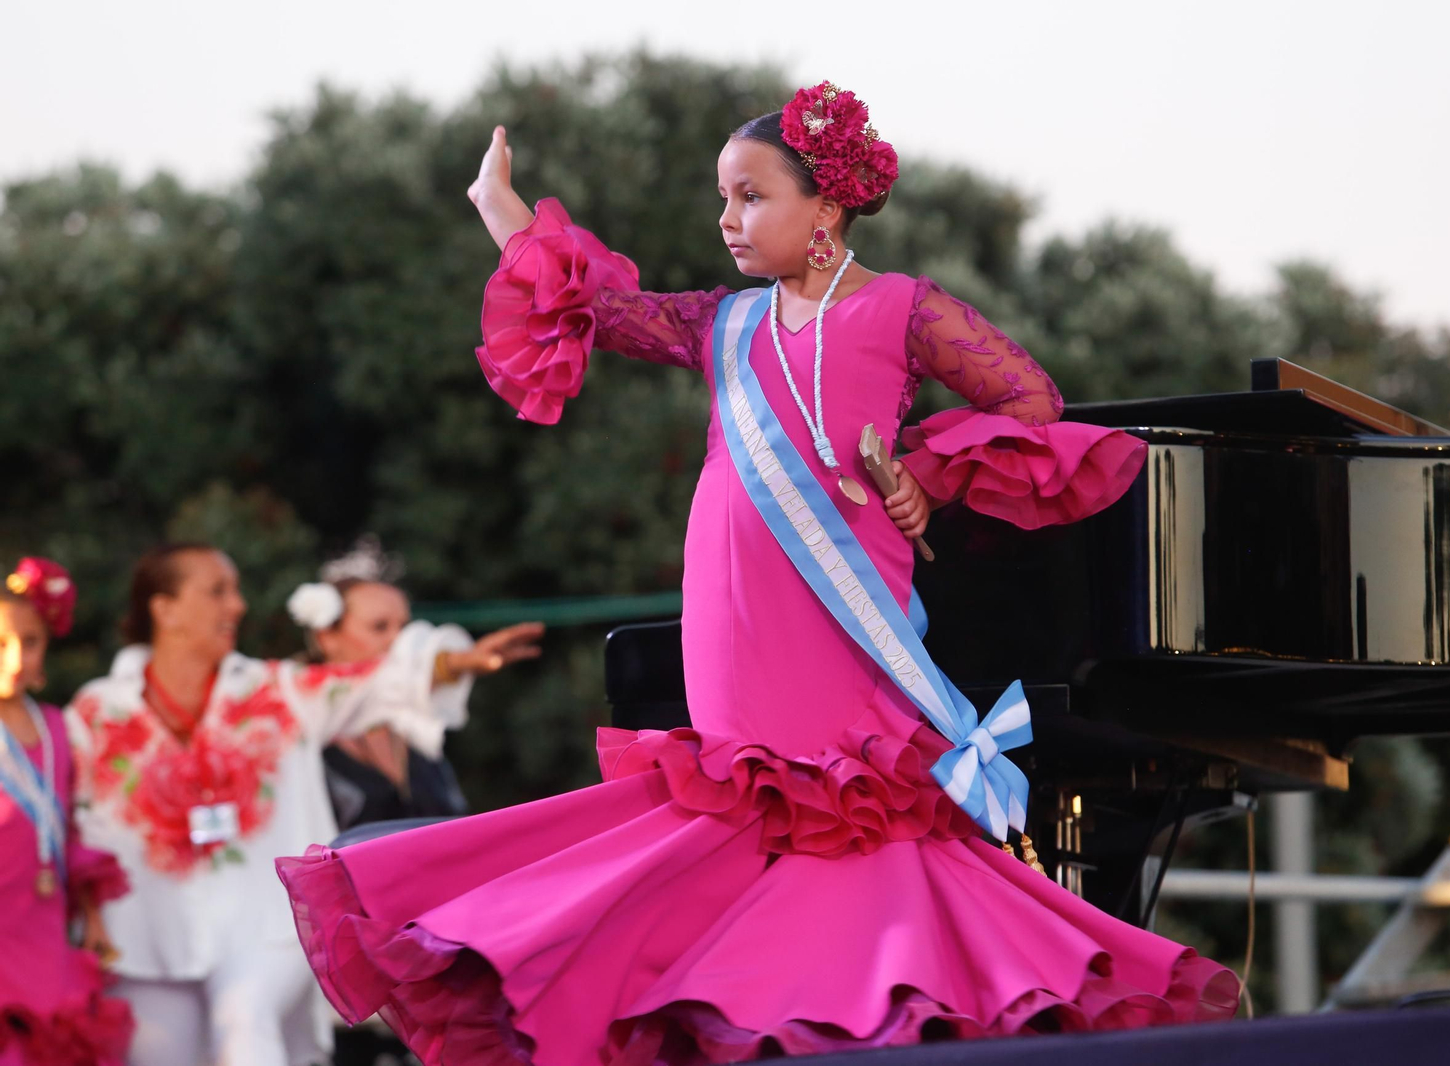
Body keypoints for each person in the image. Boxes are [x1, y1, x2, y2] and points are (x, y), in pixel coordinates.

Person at [278, 82, 1239, 1066]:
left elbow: (1032, 400)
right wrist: (503, 213)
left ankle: (863, 1008)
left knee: (856, 818)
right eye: (723, 200)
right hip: (733, 609)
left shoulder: (906, 308)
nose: (728, 220)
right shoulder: (721, 323)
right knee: (736, 821)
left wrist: (922, 474)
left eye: (750, 197)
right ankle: (743, 1015)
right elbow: (598, 309)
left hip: (845, 611)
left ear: (824, 208)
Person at [66, 543, 542, 1066]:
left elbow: (368, 683)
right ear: (165, 608)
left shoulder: (275, 691)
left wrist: (457, 663)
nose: (238, 605)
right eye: (218, 591)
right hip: (146, 933)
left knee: (245, 1025)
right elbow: (71, 825)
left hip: (265, 927)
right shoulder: (95, 712)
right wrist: (86, 914)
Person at [285, 549, 546, 832]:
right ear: (327, 638)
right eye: (379, 627)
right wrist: (458, 662)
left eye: (404, 626)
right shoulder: (300, 732)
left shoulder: (417, 727)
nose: (398, 640)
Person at [0, 558, 132, 1066]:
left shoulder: (57, 727)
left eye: (29, 643)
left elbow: (70, 824)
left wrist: (94, 915)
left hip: (43, 925)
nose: (15, 659)